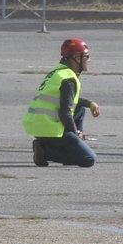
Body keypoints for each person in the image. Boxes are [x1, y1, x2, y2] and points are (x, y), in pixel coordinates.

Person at [23, 38, 100, 167]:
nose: (89, 59)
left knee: (80, 108)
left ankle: (61, 147)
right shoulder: (68, 79)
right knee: (89, 160)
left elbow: (70, 100)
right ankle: (45, 152)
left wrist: (90, 103)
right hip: (50, 129)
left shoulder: (58, 72)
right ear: (76, 58)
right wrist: (76, 133)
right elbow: (65, 112)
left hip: (40, 126)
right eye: (86, 56)